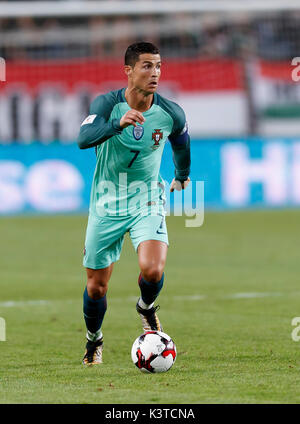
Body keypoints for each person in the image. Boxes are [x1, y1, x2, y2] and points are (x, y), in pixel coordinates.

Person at [77, 41, 191, 365]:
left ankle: (146, 308)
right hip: (106, 203)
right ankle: (93, 340)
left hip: (146, 199)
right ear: (128, 70)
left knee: (152, 269)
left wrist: (183, 174)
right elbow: (83, 139)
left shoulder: (170, 112)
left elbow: (182, 140)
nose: (154, 73)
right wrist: (116, 124)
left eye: (158, 66)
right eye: (146, 66)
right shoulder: (107, 104)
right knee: (97, 287)